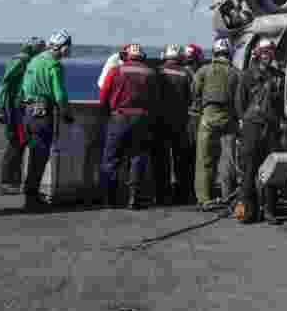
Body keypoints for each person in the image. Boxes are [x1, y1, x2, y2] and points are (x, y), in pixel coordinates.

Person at [19, 30, 75, 212]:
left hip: (28, 112)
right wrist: (66, 112)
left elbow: (23, 87)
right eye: (69, 47)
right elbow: (59, 93)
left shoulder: (34, 61)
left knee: (32, 155)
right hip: (42, 114)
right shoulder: (54, 65)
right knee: (39, 157)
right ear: (63, 47)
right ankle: (31, 198)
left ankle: (31, 194)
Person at [100, 43, 160, 209]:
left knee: (111, 159)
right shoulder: (150, 73)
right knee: (137, 157)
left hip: (119, 118)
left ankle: (110, 199)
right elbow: (156, 99)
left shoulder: (116, 71)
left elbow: (104, 92)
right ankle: (134, 198)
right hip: (141, 119)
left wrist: (107, 112)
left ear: (125, 56)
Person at [233, 39, 284, 225]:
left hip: (271, 129)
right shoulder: (246, 76)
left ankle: (270, 211)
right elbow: (240, 104)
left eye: (270, 52)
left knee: (272, 171)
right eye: (264, 52)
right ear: (257, 53)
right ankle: (247, 212)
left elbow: (280, 105)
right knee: (248, 171)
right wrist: (244, 123)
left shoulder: (279, 76)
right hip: (252, 127)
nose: (267, 55)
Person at [0, 36, 46, 195]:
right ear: (33, 48)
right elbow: (5, 83)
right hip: (14, 107)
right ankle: (7, 182)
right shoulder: (21, 60)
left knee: (20, 143)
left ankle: (13, 182)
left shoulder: (29, 61)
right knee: (16, 142)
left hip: (20, 106)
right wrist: (1, 106)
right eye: (40, 48)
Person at [192, 37, 240, 210]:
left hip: (208, 117)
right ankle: (228, 196)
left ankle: (204, 198)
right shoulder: (236, 73)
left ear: (214, 53)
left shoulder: (204, 70)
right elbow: (239, 100)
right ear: (229, 54)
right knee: (228, 160)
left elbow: (195, 91)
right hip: (228, 119)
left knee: (204, 159)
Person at [154, 44, 194, 205]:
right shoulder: (186, 73)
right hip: (180, 121)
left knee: (161, 159)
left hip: (161, 121)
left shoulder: (158, 71)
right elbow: (192, 97)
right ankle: (182, 194)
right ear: (180, 57)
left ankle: (161, 195)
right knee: (181, 159)